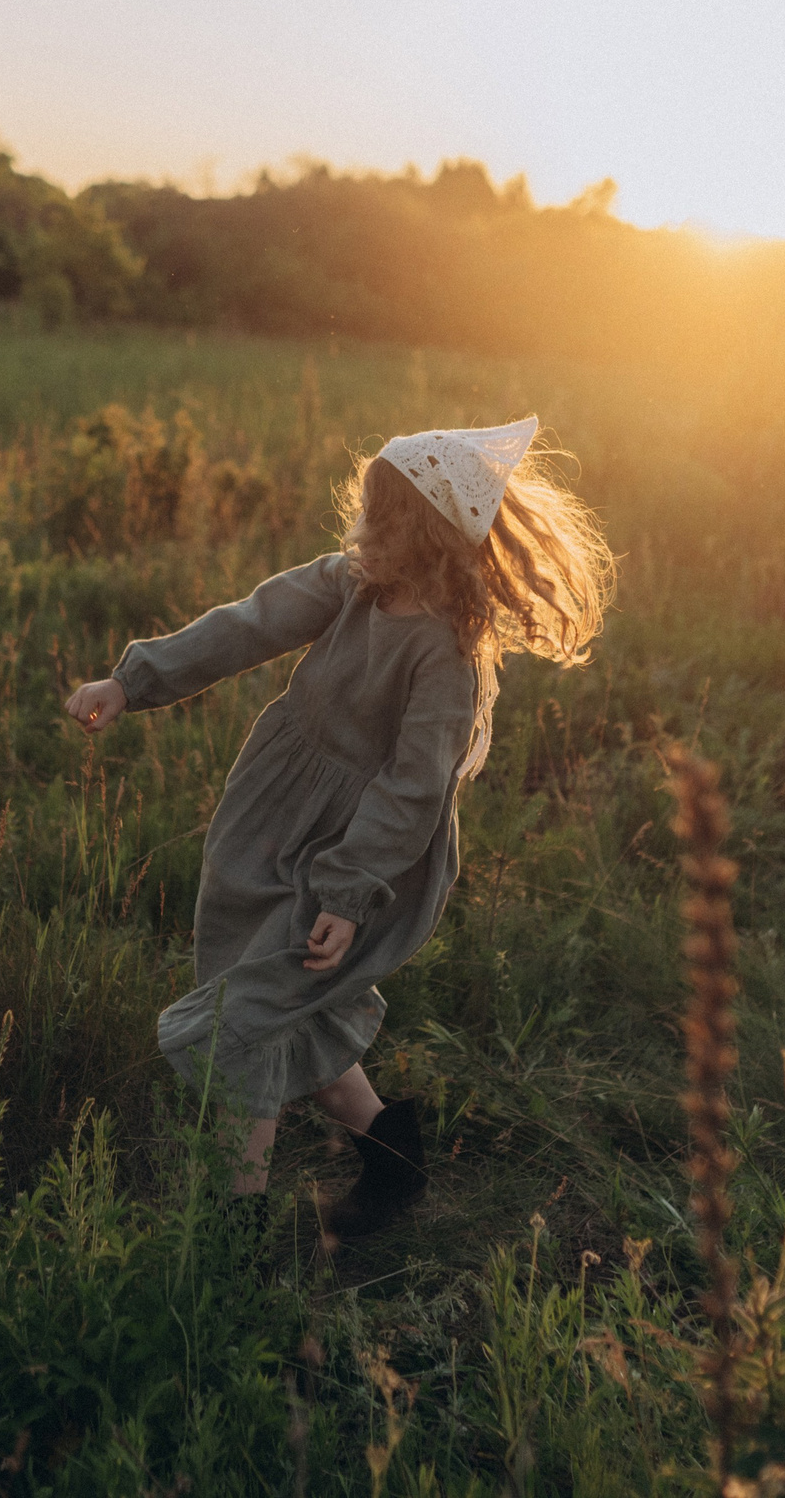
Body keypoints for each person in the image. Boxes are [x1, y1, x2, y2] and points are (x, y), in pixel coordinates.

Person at [65, 416, 611, 1236]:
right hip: (270, 821)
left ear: (422, 535)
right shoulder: (350, 581)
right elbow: (246, 624)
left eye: (381, 517)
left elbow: (413, 787)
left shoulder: (446, 655)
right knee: (290, 1004)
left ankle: (233, 1234)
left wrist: (350, 890)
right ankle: (396, 1162)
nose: (363, 528)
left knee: (244, 1016)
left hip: (360, 853)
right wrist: (133, 680)